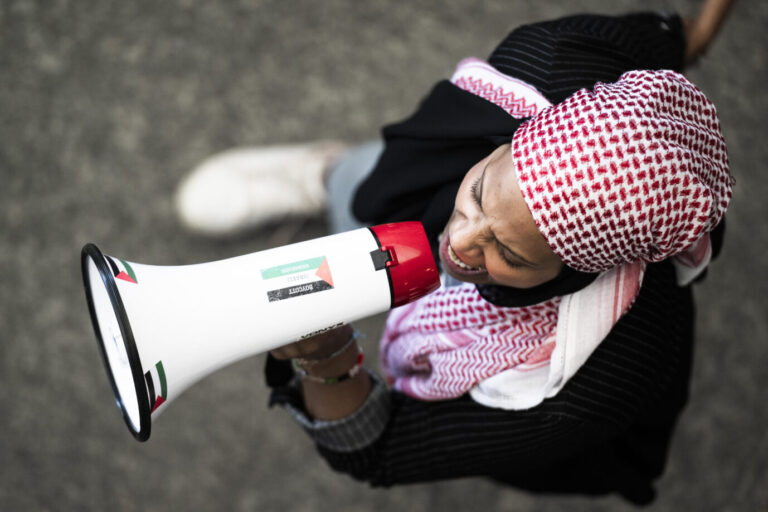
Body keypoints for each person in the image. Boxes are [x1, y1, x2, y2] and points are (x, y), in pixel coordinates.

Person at [175, 1, 735, 505]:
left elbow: (381, 451)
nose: (457, 246)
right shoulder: (557, 59)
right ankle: (328, 175)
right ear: (512, 141)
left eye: (511, 256)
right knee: (374, 191)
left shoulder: (590, 384)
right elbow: (660, 39)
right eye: (478, 196)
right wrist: (695, 33)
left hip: (527, 381)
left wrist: (328, 359)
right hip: (443, 181)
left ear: (581, 268)